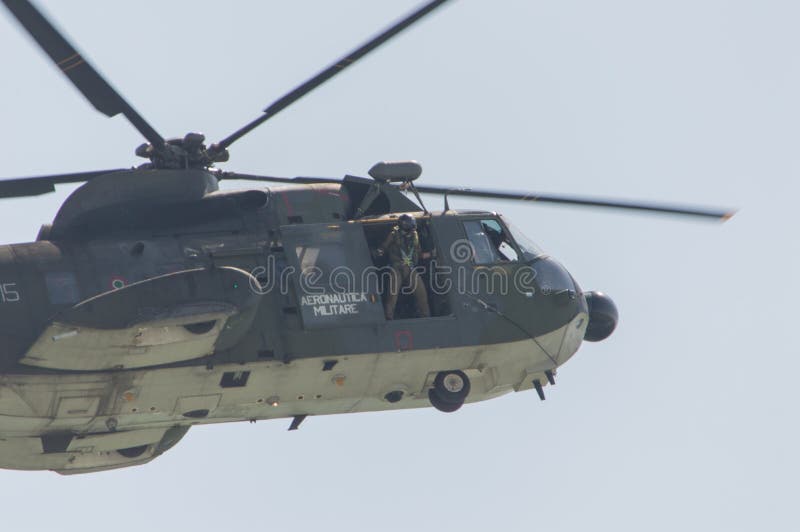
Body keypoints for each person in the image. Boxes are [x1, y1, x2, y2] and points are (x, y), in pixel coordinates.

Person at [377, 214, 431, 320]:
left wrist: (430, 254)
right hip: (397, 268)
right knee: (392, 295)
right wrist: (379, 252)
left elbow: (419, 252)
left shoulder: (415, 236)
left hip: (410, 268)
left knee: (422, 294)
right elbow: (383, 247)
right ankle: (388, 317)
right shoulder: (394, 235)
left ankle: (426, 317)